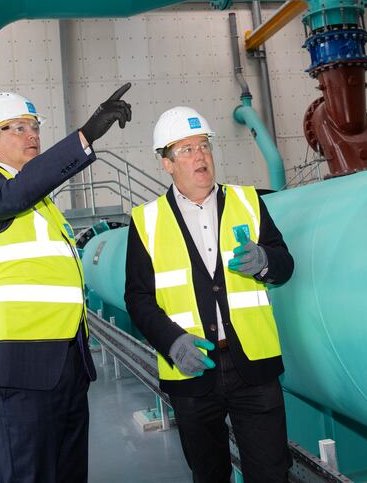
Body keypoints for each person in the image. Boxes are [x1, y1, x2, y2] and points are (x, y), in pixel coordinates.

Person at [0, 84, 133, 483]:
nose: (32, 135)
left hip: (66, 360)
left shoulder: (41, 203)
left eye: (34, 126)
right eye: (18, 128)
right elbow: (12, 196)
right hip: (17, 364)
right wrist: (85, 137)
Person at [124, 106, 295, 483]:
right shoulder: (146, 221)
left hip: (253, 365)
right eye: (185, 149)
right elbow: (138, 298)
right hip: (192, 368)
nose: (199, 155)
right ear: (166, 163)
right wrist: (171, 342)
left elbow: (284, 265)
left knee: (271, 473)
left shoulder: (248, 202)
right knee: (209, 473)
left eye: (203, 145)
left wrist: (265, 260)